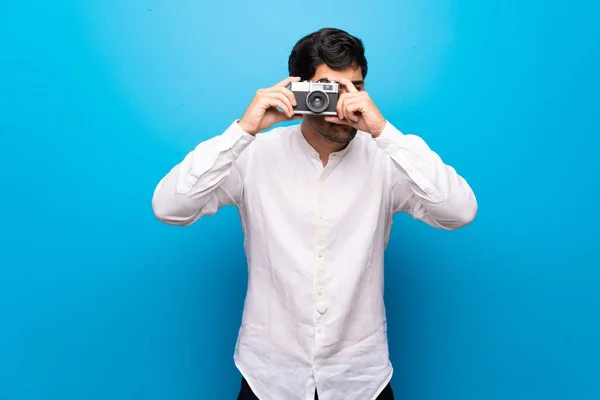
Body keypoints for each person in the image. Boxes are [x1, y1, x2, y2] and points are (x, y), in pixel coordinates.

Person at [152, 27, 478, 400]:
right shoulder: (253, 155)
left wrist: (384, 132)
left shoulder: (389, 158)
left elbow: (460, 211)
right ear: (300, 91)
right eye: (330, 89)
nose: (344, 104)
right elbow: (169, 207)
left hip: (360, 380)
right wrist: (243, 131)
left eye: (355, 87)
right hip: (269, 378)